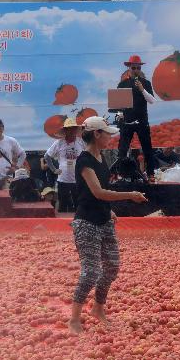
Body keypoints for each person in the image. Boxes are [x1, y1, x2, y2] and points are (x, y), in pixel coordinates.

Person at [68, 116, 148, 335]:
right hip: (86, 223)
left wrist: (110, 211)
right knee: (91, 271)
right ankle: (74, 318)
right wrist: (130, 195)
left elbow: (97, 193)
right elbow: (97, 192)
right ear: (96, 134)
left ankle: (98, 308)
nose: (110, 138)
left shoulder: (101, 158)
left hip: (104, 220)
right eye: (107, 134)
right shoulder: (84, 160)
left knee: (111, 267)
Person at [117, 55, 156, 180]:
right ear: (129, 68)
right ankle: (121, 173)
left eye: (138, 67)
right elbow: (119, 105)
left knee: (147, 148)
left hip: (142, 120)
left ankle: (151, 173)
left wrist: (142, 89)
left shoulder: (146, 83)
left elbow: (152, 101)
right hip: (127, 121)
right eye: (133, 67)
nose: (136, 70)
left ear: (141, 68)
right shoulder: (122, 84)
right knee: (122, 149)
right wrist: (119, 114)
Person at [45, 117, 86, 213]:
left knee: (78, 205)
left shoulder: (81, 142)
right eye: (69, 128)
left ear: (76, 130)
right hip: (63, 180)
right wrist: (54, 170)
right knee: (63, 205)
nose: (72, 131)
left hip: (78, 179)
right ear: (65, 130)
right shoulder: (59, 143)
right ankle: (61, 226)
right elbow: (47, 156)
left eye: (73, 128)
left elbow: (89, 155)